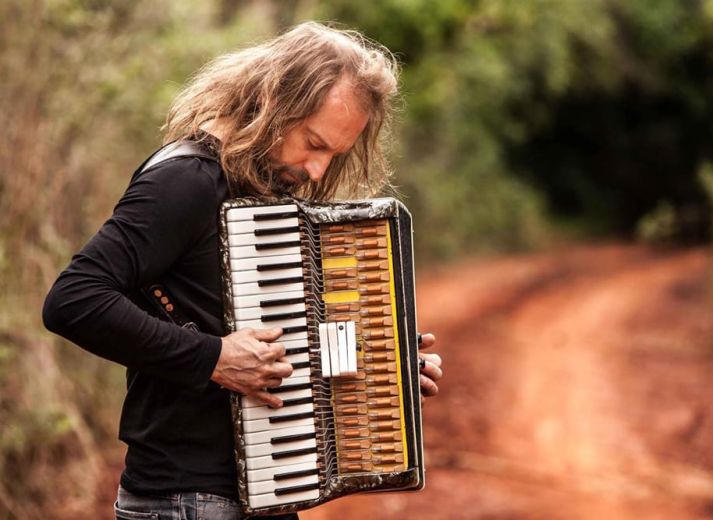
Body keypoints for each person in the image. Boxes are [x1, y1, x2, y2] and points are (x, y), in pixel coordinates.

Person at [42, 22, 443, 520]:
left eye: (333, 155)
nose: (318, 170)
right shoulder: (185, 181)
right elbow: (73, 300)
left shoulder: (259, 189)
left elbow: (281, 341)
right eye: (313, 143)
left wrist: (385, 371)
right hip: (184, 501)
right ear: (274, 103)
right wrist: (213, 358)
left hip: (263, 494)